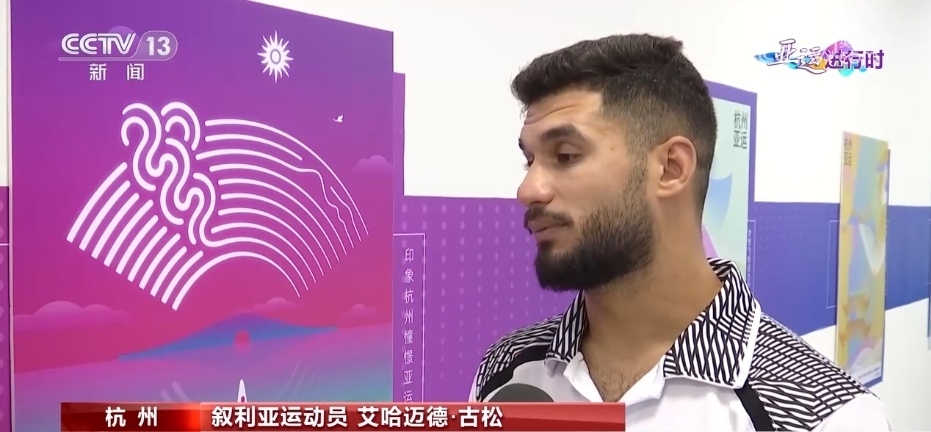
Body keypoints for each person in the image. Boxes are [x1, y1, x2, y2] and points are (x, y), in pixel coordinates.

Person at [468, 34, 891, 431]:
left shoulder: (824, 415)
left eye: (565, 155)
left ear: (671, 168)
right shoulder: (506, 371)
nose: (528, 190)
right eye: (530, 161)